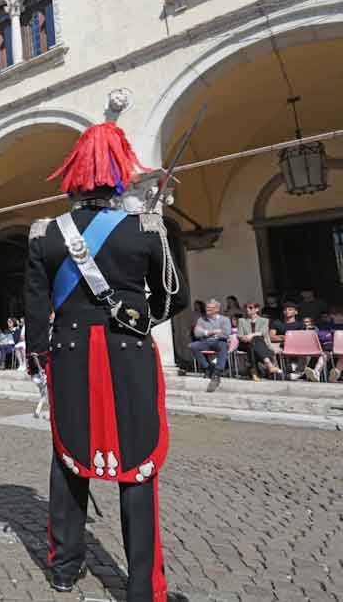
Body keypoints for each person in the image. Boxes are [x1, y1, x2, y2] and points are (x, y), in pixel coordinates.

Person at [24, 121, 188, 600]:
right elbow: (175, 297)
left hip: (69, 356)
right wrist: (138, 319)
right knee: (138, 465)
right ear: (119, 174)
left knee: (69, 457)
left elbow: (36, 313)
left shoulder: (44, 235)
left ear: (75, 175)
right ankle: (143, 588)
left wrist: (40, 359)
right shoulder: (146, 227)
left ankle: (63, 566)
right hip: (128, 354)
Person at [189, 299, 232, 389]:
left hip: (219, 341)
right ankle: (207, 368)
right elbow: (197, 333)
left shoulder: (225, 319)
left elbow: (226, 333)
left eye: (209, 308)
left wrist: (205, 332)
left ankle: (218, 371)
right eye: (206, 308)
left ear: (216, 309)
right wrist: (212, 332)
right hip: (206, 341)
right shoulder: (201, 320)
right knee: (193, 346)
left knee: (223, 345)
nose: (207, 309)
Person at [237, 302, 283, 381]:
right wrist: (245, 338)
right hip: (244, 344)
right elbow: (240, 335)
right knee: (255, 341)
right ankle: (269, 364)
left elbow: (263, 332)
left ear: (257, 309)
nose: (248, 309)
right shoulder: (242, 320)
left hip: (257, 344)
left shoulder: (264, 320)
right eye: (246, 308)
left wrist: (251, 336)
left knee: (254, 342)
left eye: (250, 308)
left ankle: (254, 371)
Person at [270, 302, 306, 380]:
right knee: (271, 349)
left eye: (290, 309)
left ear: (296, 312)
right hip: (279, 345)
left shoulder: (300, 324)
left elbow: (301, 338)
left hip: (296, 345)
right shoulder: (277, 323)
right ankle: (277, 372)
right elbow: (271, 337)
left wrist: (282, 337)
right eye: (285, 310)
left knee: (304, 349)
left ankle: (297, 371)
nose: (287, 311)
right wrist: (284, 337)